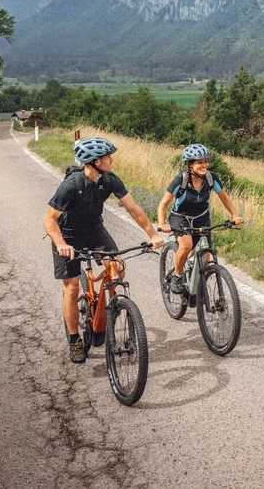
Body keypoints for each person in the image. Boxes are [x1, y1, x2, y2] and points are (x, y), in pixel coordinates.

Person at [43, 136, 163, 364]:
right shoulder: (71, 185)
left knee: (117, 266)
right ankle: (75, 340)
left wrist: (153, 235)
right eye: (107, 156)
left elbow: (133, 208)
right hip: (67, 235)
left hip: (94, 230)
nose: (111, 159)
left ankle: (107, 306)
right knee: (72, 287)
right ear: (95, 161)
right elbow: (49, 219)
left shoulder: (109, 180)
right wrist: (61, 244)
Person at [157, 143, 244, 295]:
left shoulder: (211, 178)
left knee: (206, 255)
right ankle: (177, 276)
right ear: (190, 164)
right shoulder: (181, 180)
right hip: (180, 217)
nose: (204, 165)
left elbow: (225, 198)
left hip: (201, 217)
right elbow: (163, 204)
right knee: (186, 245)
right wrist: (162, 223)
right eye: (199, 162)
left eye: (205, 161)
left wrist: (235, 215)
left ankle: (195, 281)